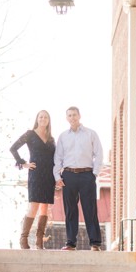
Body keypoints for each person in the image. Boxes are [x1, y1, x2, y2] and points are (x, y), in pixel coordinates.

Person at [53, 106, 104, 251]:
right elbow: (58, 158)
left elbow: (99, 154)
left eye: (74, 115)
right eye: (69, 115)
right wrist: (57, 176)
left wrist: (94, 173)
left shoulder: (90, 134)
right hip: (68, 175)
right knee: (70, 210)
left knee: (90, 209)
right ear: (66, 118)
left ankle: (95, 243)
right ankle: (70, 243)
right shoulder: (63, 136)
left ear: (79, 116)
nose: (72, 118)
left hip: (87, 175)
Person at [10, 110, 57, 249]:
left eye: (46, 117)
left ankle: (39, 240)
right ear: (37, 119)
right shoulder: (30, 134)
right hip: (36, 174)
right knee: (34, 205)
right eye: (41, 117)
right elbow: (13, 148)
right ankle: (23, 239)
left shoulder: (51, 139)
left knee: (45, 207)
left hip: (49, 175)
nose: (43, 119)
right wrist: (23, 163)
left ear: (49, 120)